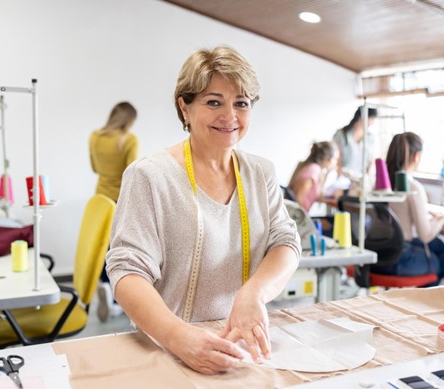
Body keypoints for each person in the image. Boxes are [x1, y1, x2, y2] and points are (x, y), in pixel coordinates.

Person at [105, 45, 301, 375]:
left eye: (241, 103)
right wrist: (178, 337)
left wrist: (253, 294)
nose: (230, 116)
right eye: (213, 102)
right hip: (168, 347)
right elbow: (127, 272)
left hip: (240, 346)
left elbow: (286, 242)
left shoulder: (261, 172)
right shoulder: (150, 175)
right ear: (185, 107)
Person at [384, 132, 444, 285]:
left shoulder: (381, 184)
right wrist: (441, 218)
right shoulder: (413, 187)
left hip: (380, 256)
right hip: (399, 260)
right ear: (417, 156)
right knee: (442, 261)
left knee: (438, 246)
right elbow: (425, 235)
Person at [89, 101, 138, 322]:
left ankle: (102, 284)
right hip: (120, 200)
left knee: (101, 245)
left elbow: (95, 168)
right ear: (129, 120)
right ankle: (117, 299)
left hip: (100, 198)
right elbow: (133, 173)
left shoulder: (95, 137)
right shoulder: (128, 140)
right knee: (120, 249)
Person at [287, 141, 338, 213]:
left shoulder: (313, 168)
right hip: (297, 216)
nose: (336, 163)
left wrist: (328, 173)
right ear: (328, 159)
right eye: (335, 159)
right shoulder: (313, 170)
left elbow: (319, 197)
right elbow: (299, 198)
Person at [332, 106, 379, 178]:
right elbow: (336, 159)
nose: (372, 123)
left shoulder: (370, 137)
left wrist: (367, 177)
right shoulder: (341, 134)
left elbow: (372, 159)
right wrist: (341, 177)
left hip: (363, 179)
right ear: (361, 117)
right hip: (344, 179)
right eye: (370, 119)